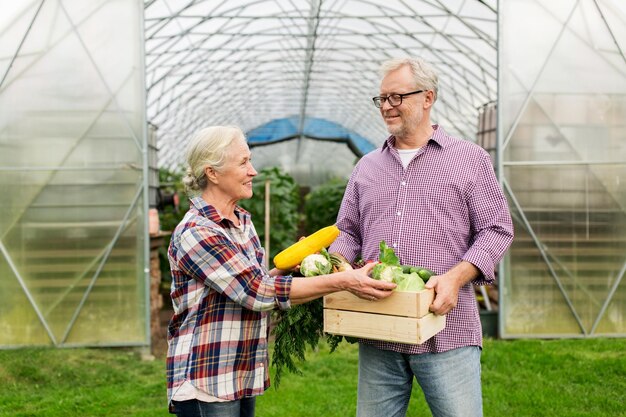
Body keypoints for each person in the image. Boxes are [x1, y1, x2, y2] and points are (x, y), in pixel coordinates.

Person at [165, 125, 396, 417]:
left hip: (238, 372)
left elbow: (250, 282)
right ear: (212, 173)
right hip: (206, 378)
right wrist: (343, 280)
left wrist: (284, 271)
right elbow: (256, 292)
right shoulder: (197, 232)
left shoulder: (240, 223)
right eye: (243, 162)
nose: (253, 171)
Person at [328, 57, 514, 417]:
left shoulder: (468, 159)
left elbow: (497, 228)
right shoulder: (367, 166)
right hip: (378, 326)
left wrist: (455, 278)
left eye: (396, 97)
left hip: (447, 329)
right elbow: (347, 231)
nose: (386, 107)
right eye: (382, 98)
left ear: (427, 97)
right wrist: (338, 269)